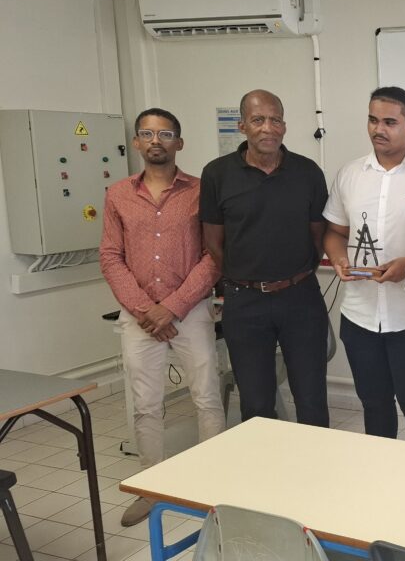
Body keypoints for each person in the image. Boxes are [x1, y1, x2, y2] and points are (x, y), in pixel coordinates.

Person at [99, 108, 224, 527]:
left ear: (179, 143)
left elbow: (213, 256)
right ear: (136, 142)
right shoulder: (118, 194)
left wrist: (172, 306)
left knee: (207, 397)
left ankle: (213, 488)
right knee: (145, 404)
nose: (156, 141)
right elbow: (110, 256)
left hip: (190, 310)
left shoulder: (202, 191)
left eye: (166, 134)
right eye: (148, 134)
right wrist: (144, 309)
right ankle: (150, 488)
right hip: (139, 317)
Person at [323, 87, 405, 444]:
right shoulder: (350, 173)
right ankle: (380, 474)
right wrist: (338, 257)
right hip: (360, 316)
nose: (378, 129)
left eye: (389, 122)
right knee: (374, 406)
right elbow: (335, 232)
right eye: (372, 120)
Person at [199, 89, 330, 427]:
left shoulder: (308, 172)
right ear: (242, 126)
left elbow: (319, 237)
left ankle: (318, 462)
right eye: (258, 120)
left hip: (300, 298)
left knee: (312, 399)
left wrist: (293, 276)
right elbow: (213, 241)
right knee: (256, 405)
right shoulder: (216, 174)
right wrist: (246, 277)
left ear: (284, 126)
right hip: (245, 302)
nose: (268, 128)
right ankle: (265, 462)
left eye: (275, 120)